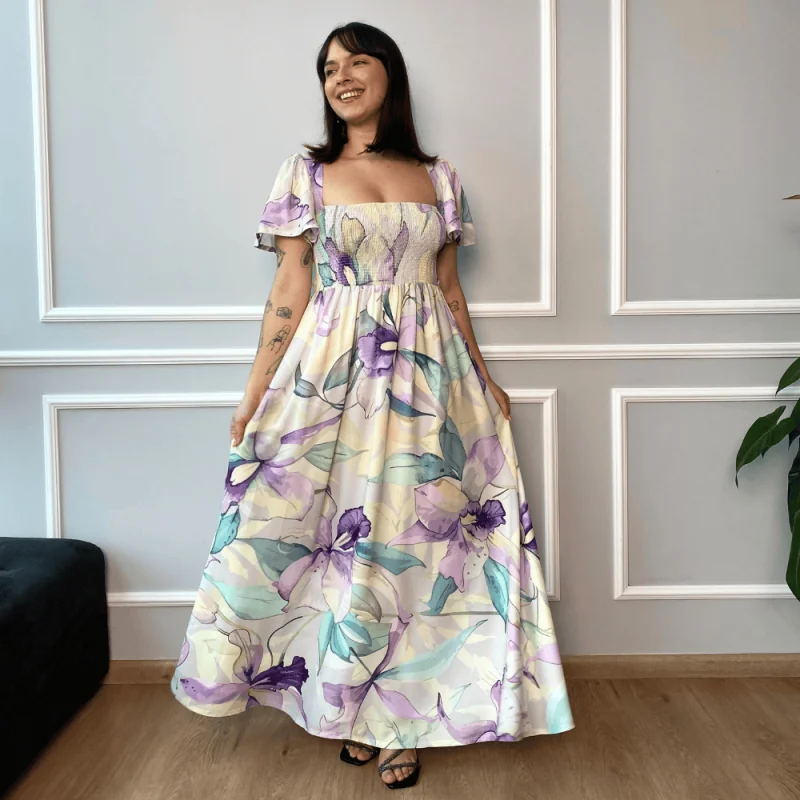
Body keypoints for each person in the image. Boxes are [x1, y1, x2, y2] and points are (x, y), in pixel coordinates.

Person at [171, 20, 574, 791]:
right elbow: (290, 288)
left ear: (390, 73)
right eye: (329, 69)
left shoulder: (440, 176)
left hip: (432, 382)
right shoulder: (308, 173)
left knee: (414, 551)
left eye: (357, 61)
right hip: (335, 379)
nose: (342, 77)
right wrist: (254, 394)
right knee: (335, 544)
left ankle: (399, 722)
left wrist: (483, 377)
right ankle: (350, 706)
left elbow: (449, 289)